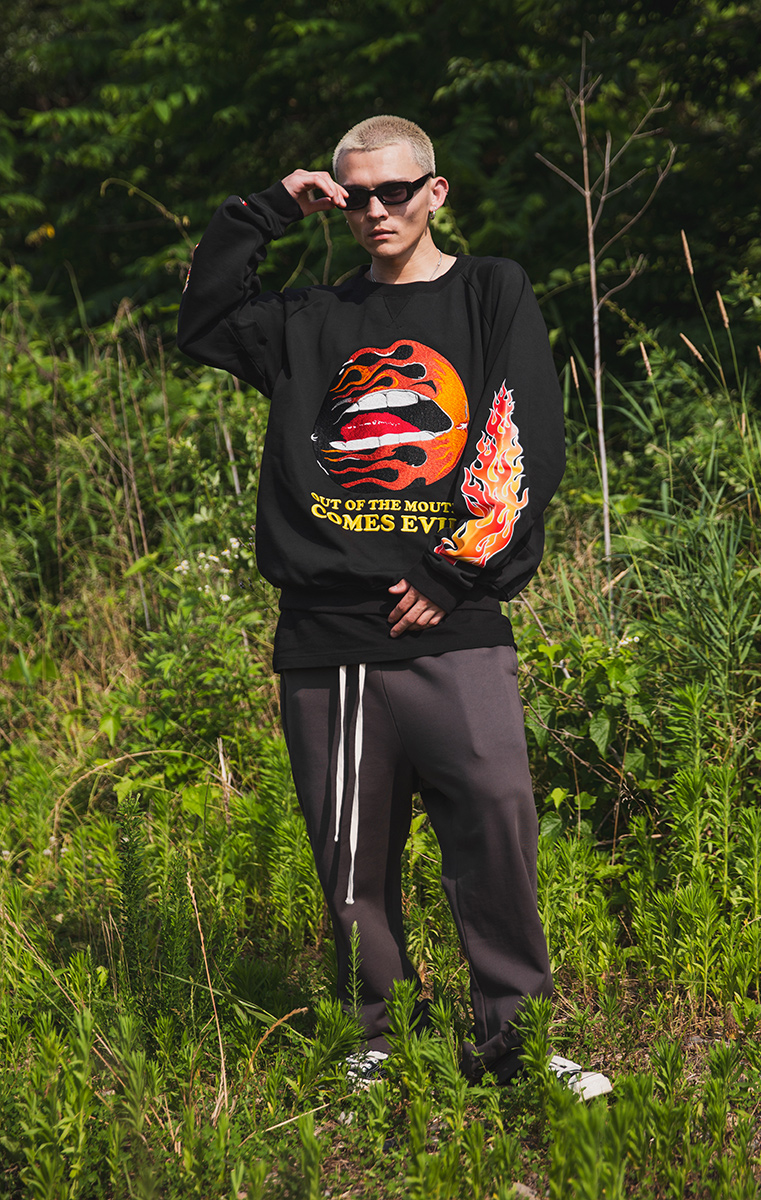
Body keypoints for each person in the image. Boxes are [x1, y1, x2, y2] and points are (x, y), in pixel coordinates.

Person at [178, 115, 606, 1093]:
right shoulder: (307, 321)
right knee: (353, 860)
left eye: (396, 191)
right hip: (327, 635)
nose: (377, 210)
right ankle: (382, 1042)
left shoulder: (488, 290)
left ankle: (517, 1043)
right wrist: (268, 208)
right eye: (357, 195)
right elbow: (204, 321)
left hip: (454, 622)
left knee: (495, 827)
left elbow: (525, 436)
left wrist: (453, 572)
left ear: (435, 191)